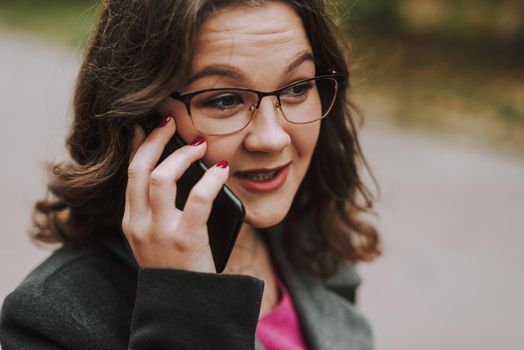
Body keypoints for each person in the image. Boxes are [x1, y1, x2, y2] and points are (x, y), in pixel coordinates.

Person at [0, 0, 381, 349]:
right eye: (224, 99)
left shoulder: (310, 242)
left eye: (298, 88)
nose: (272, 137)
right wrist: (185, 300)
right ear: (141, 120)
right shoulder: (50, 319)